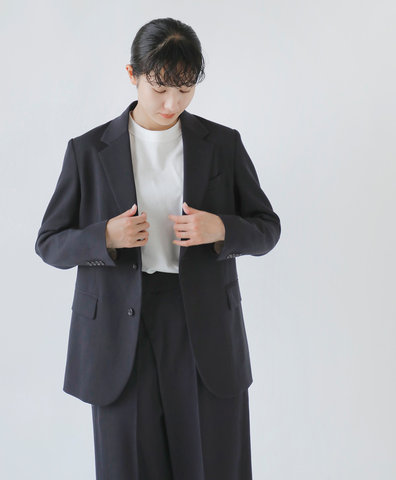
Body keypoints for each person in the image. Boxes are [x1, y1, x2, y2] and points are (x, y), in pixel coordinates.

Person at [35, 17, 281, 480]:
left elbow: (267, 229)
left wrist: (221, 228)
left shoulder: (222, 144)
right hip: (120, 330)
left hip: (202, 325)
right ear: (132, 74)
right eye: (160, 88)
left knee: (212, 463)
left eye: (185, 89)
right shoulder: (87, 151)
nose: (173, 103)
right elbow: (48, 243)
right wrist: (105, 238)